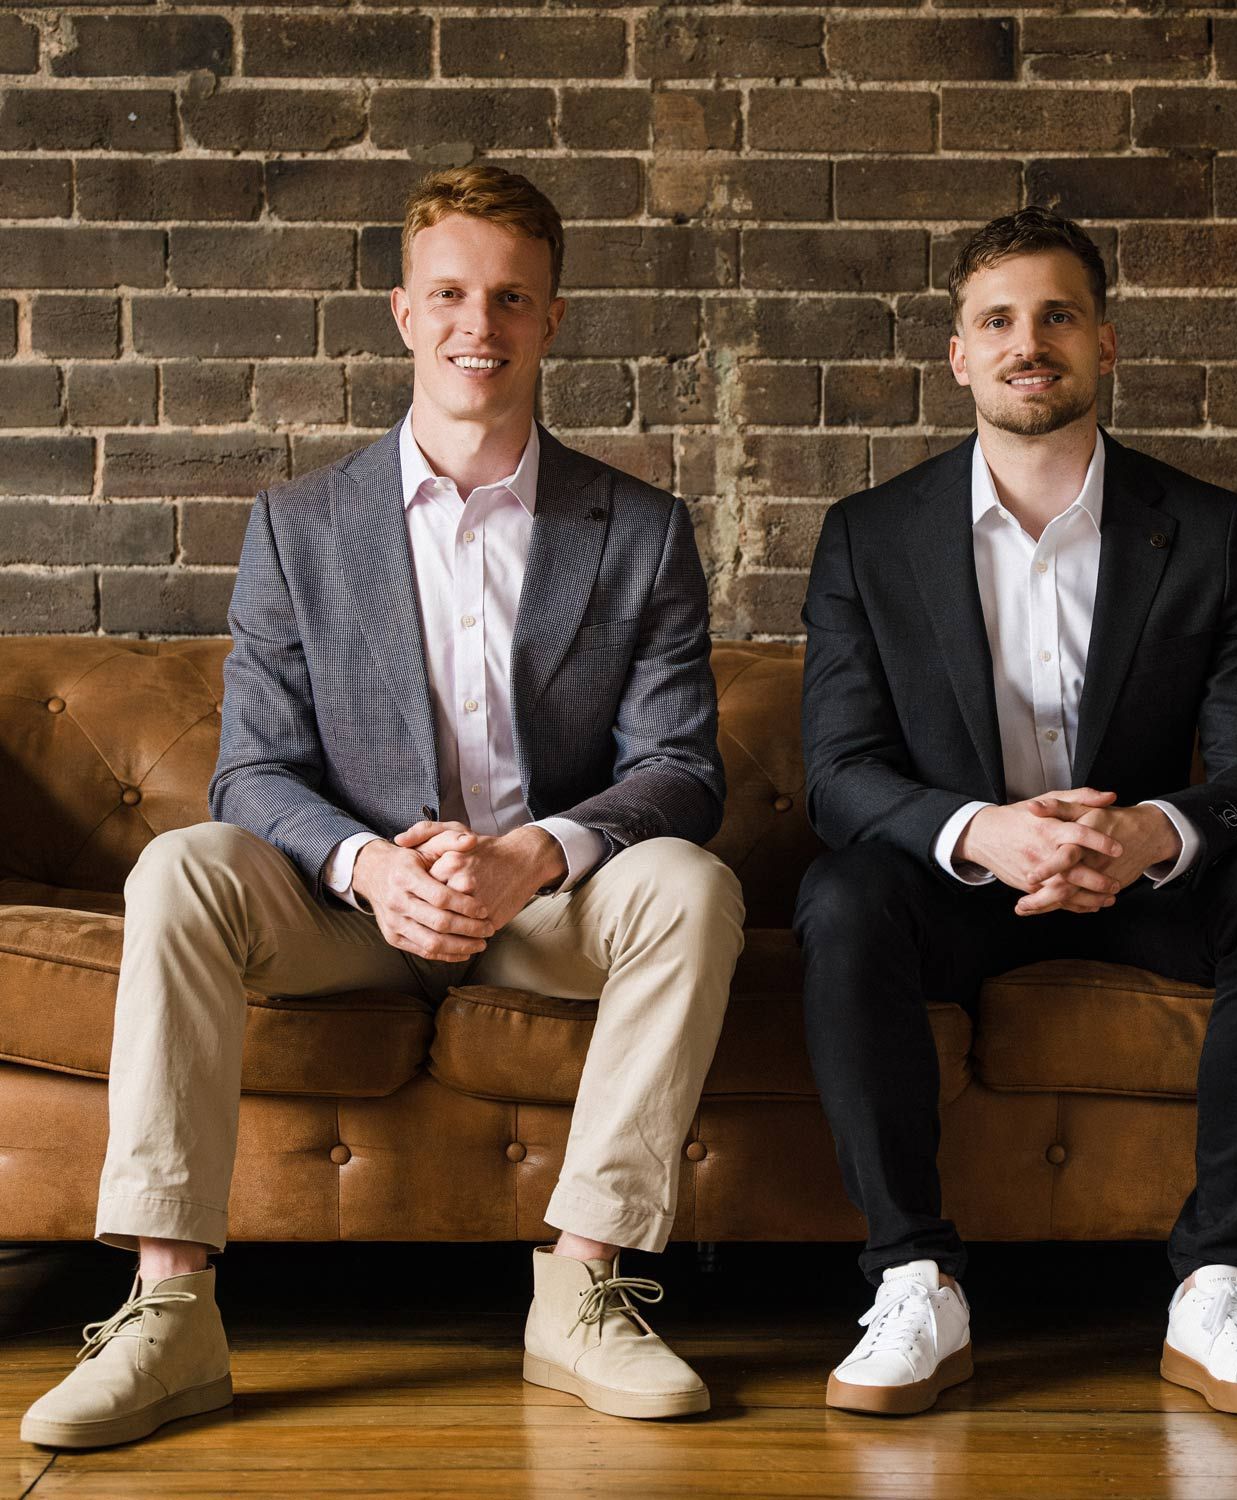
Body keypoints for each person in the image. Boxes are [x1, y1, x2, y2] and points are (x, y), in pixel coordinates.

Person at [22, 165, 744, 1449]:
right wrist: (367, 866)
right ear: (404, 312)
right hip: (346, 914)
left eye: (511, 297)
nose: (481, 323)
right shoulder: (300, 525)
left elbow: (682, 768)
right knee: (181, 865)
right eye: (451, 293)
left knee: (695, 884)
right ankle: (169, 1312)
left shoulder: (638, 529)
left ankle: (581, 1291)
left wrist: (534, 855)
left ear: (553, 319)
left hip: (547, 912)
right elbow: (252, 772)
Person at [795, 206, 1237, 1419]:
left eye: (1056, 316)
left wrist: (1149, 833)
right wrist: (981, 832)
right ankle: (914, 1279)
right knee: (840, 898)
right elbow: (838, 772)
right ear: (959, 354)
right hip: (959, 888)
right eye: (997, 320)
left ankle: (1220, 1284)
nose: (1027, 342)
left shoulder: (1209, 530)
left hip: (1142, 882)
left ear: (1104, 343)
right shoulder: (868, 537)